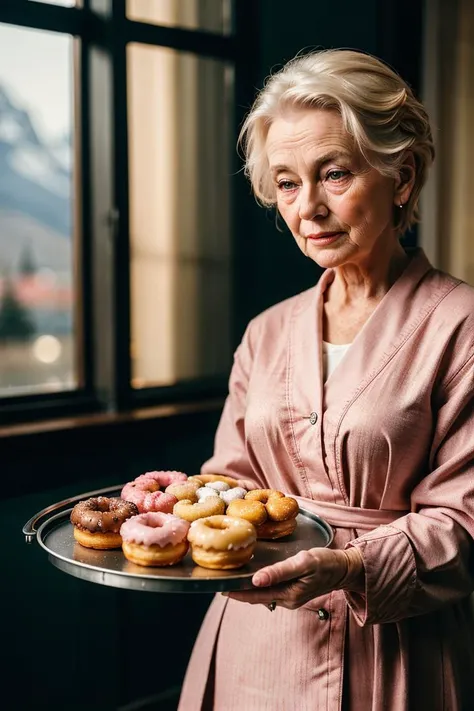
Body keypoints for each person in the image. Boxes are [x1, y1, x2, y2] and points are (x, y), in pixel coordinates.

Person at [178, 48, 474, 711]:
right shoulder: (266, 332)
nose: (307, 207)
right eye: (286, 183)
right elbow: (227, 481)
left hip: (395, 656)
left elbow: (466, 520)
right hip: (255, 641)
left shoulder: (463, 327)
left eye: (334, 173)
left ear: (402, 175)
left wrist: (352, 566)